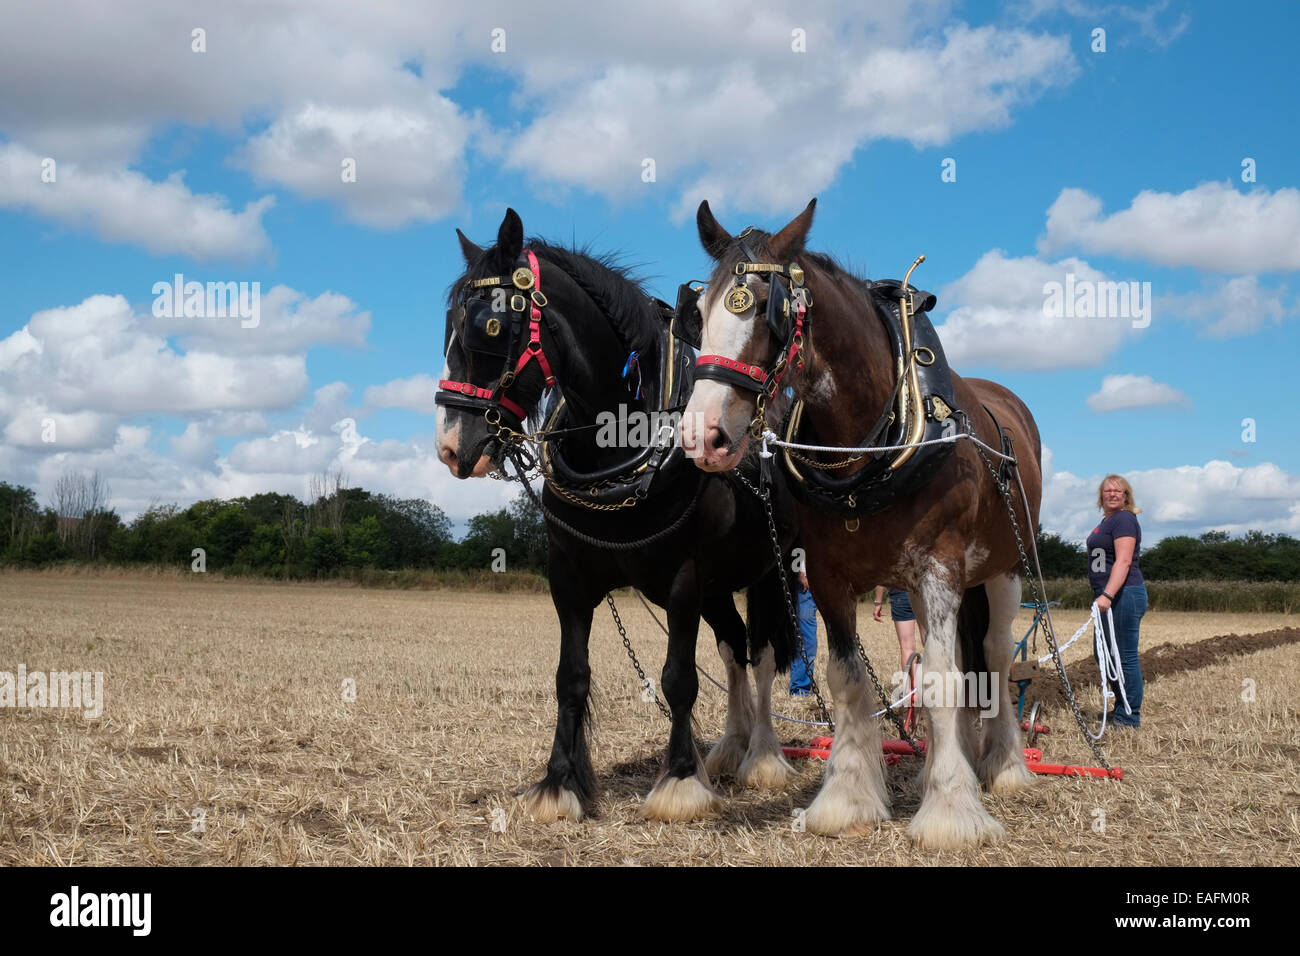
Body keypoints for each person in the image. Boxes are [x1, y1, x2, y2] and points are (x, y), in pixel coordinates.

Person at [1087, 474, 1148, 729]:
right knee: (1104, 655)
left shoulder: (1124, 519)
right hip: (1108, 596)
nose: (1112, 494)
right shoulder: (1107, 521)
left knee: (1124, 657)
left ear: (1126, 496)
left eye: (1118, 491)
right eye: (1107, 491)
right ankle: (1121, 707)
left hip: (1123, 595)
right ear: (1101, 496)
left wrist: (1108, 595)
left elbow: (1123, 561)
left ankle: (1129, 717)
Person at [789, 571, 818, 696]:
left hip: (820, 578)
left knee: (808, 639)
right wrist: (799, 572)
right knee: (806, 639)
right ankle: (800, 690)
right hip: (803, 583)